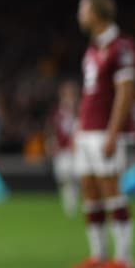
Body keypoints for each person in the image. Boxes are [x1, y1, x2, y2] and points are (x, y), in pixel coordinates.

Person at [69, 0, 135, 268]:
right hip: (87, 130)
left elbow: (125, 92)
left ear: (96, 14)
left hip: (105, 131)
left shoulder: (121, 47)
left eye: (83, 10)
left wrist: (113, 132)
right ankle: (98, 255)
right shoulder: (92, 48)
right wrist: (78, 126)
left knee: (112, 189)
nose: (79, 15)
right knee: (90, 190)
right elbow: (90, 93)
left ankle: (123, 258)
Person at [46, 79, 81, 218]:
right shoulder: (58, 111)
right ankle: (69, 207)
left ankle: (82, 203)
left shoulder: (80, 109)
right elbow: (52, 128)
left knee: (79, 176)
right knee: (64, 178)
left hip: (78, 149)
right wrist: (51, 142)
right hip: (62, 149)